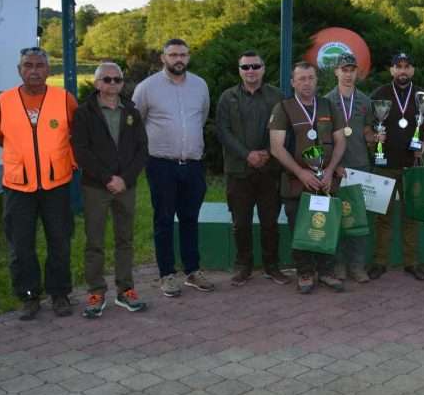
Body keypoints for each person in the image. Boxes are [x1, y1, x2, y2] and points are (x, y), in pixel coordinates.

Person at [0, 47, 78, 320]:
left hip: (56, 184)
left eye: (40, 65)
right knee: (21, 245)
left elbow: (76, 134)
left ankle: (59, 294)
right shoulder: (4, 101)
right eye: (28, 65)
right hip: (18, 186)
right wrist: (23, 156)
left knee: (59, 241)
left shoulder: (64, 99)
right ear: (20, 70)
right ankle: (28, 295)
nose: (34, 71)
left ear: (48, 70)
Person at [132, 38, 214, 298]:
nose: (179, 59)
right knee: (164, 220)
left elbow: (201, 117)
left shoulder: (200, 85)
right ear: (163, 58)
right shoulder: (147, 88)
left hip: (192, 164)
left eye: (183, 54)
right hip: (161, 164)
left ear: (188, 57)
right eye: (173, 55)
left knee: (190, 218)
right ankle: (166, 274)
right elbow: (136, 122)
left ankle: (192, 270)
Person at [72, 62, 148, 318]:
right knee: (94, 242)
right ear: (97, 83)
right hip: (96, 186)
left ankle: (126, 290)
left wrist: (125, 179)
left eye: (117, 79)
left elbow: (142, 149)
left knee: (125, 240)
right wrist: (107, 178)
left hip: (126, 186)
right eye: (107, 79)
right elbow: (81, 151)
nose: (113, 84)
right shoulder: (84, 113)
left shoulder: (132, 111)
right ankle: (96, 292)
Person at [269, 61, 347, 294]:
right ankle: (304, 272)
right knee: (300, 228)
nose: (306, 83)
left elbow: (341, 141)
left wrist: (330, 170)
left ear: (316, 80)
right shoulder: (283, 108)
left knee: (327, 226)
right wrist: (300, 172)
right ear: (292, 82)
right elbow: (276, 148)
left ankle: (326, 271)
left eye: (311, 78)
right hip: (296, 182)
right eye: (301, 78)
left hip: (325, 182)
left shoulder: (328, 106)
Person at [216, 50, 288, 287]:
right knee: (241, 223)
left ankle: (272, 266)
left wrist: (267, 152)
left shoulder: (277, 96)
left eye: (255, 66)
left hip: (269, 170)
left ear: (263, 69)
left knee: (270, 223)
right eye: (245, 67)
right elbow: (223, 131)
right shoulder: (227, 97)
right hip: (239, 170)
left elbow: (284, 128)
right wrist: (247, 154)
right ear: (239, 70)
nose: (250, 71)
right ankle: (243, 266)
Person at [368, 52, 424, 281]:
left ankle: (412, 263)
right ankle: (379, 262)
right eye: (399, 66)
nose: (403, 71)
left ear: (412, 70)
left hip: (412, 166)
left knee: (412, 216)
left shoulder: (423, 96)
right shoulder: (379, 94)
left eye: (407, 66)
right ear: (392, 70)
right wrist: (374, 138)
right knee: (382, 217)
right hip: (384, 164)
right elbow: (368, 126)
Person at [324, 53, 375, 283]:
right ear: (336, 72)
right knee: (336, 217)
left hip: (360, 166)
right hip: (336, 169)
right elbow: (325, 138)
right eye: (344, 70)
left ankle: (357, 265)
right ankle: (338, 265)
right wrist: (334, 165)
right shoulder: (326, 101)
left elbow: (367, 133)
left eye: (352, 70)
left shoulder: (365, 101)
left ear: (357, 73)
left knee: (359, 219)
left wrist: (376, 139)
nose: (348, 74)